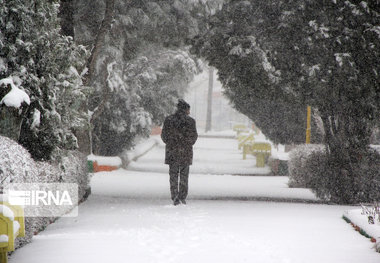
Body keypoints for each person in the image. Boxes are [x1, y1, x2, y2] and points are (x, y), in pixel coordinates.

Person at [161, 99, 198, 205]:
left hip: (172, 152)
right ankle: (182, 196)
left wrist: (171, 143)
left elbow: (164, 136)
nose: (189, 112)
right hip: (185, 153)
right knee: (184, 175)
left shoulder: (169, 120)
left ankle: (174, 195)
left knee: (173, 175)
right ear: (186, 110)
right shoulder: (191, 121)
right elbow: (194, 137)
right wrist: (186, 144)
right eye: (188, 110)